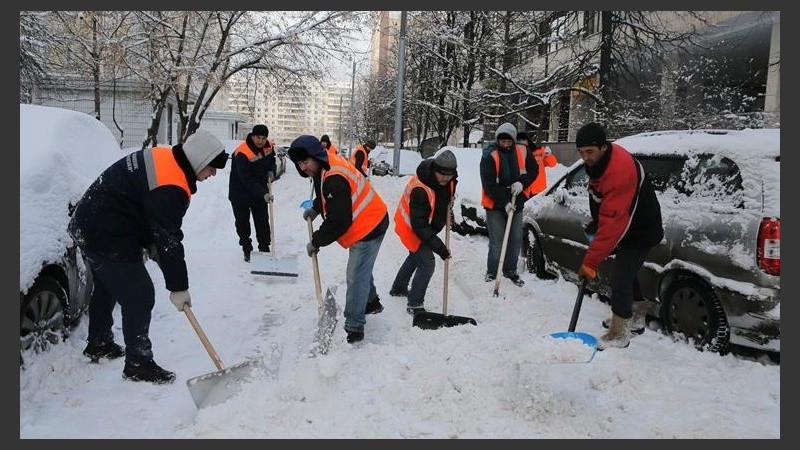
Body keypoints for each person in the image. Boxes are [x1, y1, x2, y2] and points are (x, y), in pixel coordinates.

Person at [68, 129, 229, 384]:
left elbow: (141, 205)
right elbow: (169, 240)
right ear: (199, 160)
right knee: (140, 294)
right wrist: (178, 287)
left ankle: (99, 343)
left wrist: (150, 242)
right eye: (211, 168)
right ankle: (138, 363)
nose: (213, 174)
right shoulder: (172, 185)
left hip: (90, 222)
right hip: (106, 232)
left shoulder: (164, 157)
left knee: (108, 285)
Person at [288, 135, 389, 344]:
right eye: (299, 164)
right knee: (362, 269)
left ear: (315, 156)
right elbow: (329, 195)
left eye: (305, 162)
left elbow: (339, 221)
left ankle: (354, 327)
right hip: (369, 219)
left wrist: (316, 241)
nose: (303, 167)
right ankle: (371, 303)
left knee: (356, 275)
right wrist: (316, 208)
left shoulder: (334, 176)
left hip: (370, 225)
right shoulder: (325, 164)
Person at [574, 122, 664, 350]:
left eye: (590, 152)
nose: (585, 158)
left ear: (603, 147)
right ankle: (635, 316)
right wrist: (597, 223)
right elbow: (602, 199)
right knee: (627, 272)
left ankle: (619, 333)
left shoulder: (619, 170)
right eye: (581, 153)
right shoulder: (602, 162)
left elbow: (614, 221)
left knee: (621, 277)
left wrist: (590, 262)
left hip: (640, 230)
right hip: (628, 224)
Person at [390, 149, 458, 315]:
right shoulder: (420, 188)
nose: (445, 178)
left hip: (425, 225)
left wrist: (449, 213)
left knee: (415, 256)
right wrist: (440, 248)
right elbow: (419, 226)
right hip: (410, 227)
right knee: (427, 261)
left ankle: (398, 288)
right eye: (441, 174)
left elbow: (445, 200)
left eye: (449, 175)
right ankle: (415, 304)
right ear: (434, 169)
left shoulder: (449, 181)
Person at [479, 122, 539, 286]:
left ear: (513, 140)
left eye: (508, 142)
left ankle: (510, 270)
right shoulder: (489, 155)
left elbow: (534, 171)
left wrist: (522, 183)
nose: (505, 145)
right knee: (497, 240)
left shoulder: (523, 151)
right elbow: (489, 184)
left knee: (515, 238)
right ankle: (492, 272)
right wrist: (504, 203)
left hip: (517, 199)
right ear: (497, 140)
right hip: (495, 203)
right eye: (502, 142)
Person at [228, 124, 277, 262]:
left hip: (260, 191)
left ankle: (264, 248)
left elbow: (272, 160)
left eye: (263, 138)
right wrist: (263, 193)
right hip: (240, 192)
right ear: (252, 136)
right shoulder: (242, 153)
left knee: (262, 222)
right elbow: (246, 179)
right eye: (258, 138)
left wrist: (272, 171)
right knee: (243, 223)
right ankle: (247, 249)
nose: (261, 141)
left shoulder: (268, 146)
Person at [517, 130, 558, 196]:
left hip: (539, 190)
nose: (522, 142)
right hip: (523, 190)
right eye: (519, 141)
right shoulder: (514, 153)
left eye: (524, 140)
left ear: (528, 141)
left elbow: (552, 164)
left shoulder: (539, 151)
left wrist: (549, 155)